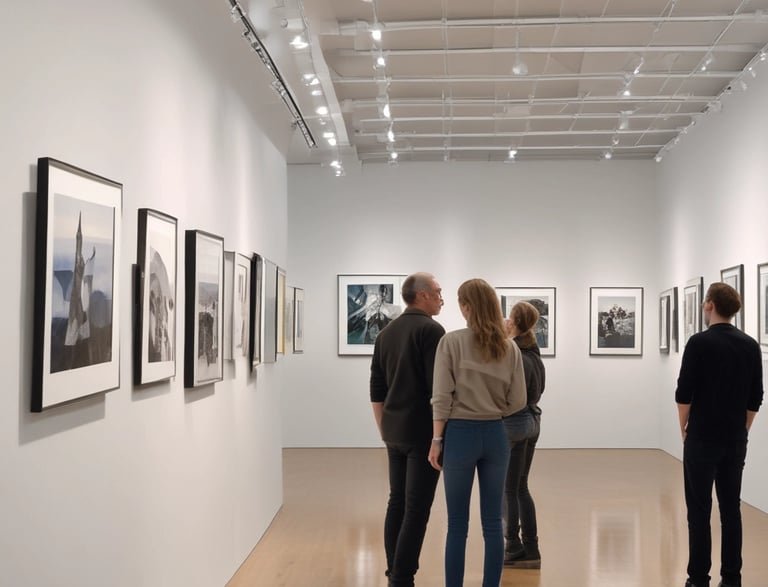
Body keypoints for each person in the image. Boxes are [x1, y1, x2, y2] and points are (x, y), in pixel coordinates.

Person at [428, 278, 527, 587]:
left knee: (457, 524)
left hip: (459, 434)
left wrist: (436, 439)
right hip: (496, 435)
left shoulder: (451, 342)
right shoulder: (508, 347)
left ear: (466, 306)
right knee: (493, 524)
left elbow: (441, 397)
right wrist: (494, 409)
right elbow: (519, 399)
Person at [675, 282, 763, 587]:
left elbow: (684, 392)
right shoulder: (750, 345)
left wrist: (683, 427)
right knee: (731, 510)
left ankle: (698, 579)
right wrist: (744, 429)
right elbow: (756, 397)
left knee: (698, 511)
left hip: (701, 437)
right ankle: (732, 579)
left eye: (703, 304)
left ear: (710, 305)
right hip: (735, 439)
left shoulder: (699, 343)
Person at [370, 272, 446, 587]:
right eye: (438, 291)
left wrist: (384, 427)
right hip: (422, 434)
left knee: (397, 501)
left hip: (394, 432)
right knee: (417, 507)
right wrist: (438, 437)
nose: (442, 297)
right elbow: (437, 389)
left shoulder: (386, 333)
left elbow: (376, 387)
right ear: (422, 295)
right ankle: (401, 578)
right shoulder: (431, 331)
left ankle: (394, 572)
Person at [502, 301, 545, 569]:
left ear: (515, 322)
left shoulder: (513, 352)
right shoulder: (533, 351)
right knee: (521, 487)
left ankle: (514, 546)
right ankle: (531, 546)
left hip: (515, 424)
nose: (505, 321)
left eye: (509, 318)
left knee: (509, 489)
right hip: (533, 420)